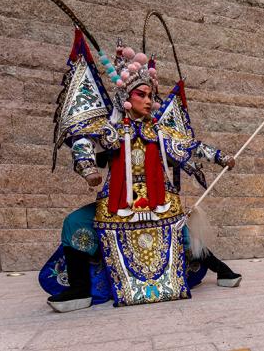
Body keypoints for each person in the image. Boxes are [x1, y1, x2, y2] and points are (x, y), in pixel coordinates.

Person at [43, 30, 240, 311]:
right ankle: (80, 290)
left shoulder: (159, 131)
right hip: (118, 202)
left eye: (150, 96)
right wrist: (88, 169)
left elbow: (191, 145)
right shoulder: (111, 128)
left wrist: (222, 157)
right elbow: (82, 139)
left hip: (157, 201)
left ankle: (222, 270)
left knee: (183, 235)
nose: (148, 101)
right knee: (75, 223)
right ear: (126, 96)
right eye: (141, 95)